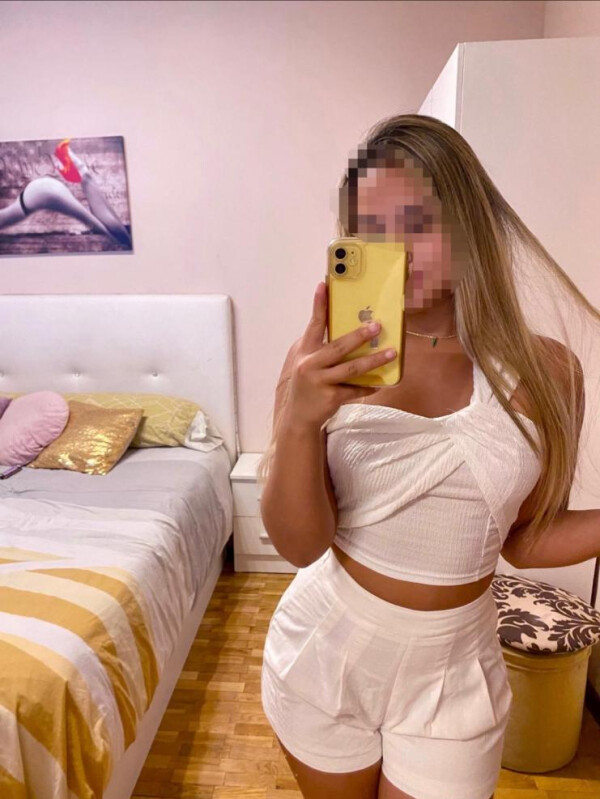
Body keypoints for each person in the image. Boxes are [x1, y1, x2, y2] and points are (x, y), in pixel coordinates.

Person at [258, 113, 592, 799]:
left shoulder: (550, 372)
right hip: (325, 652)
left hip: (456, 673)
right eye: (371, 231)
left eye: (418, 222)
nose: (398, 252)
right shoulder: (322, 362)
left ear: (470, 225)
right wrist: (298, 420)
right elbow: (299, 545)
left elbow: (525, 539)